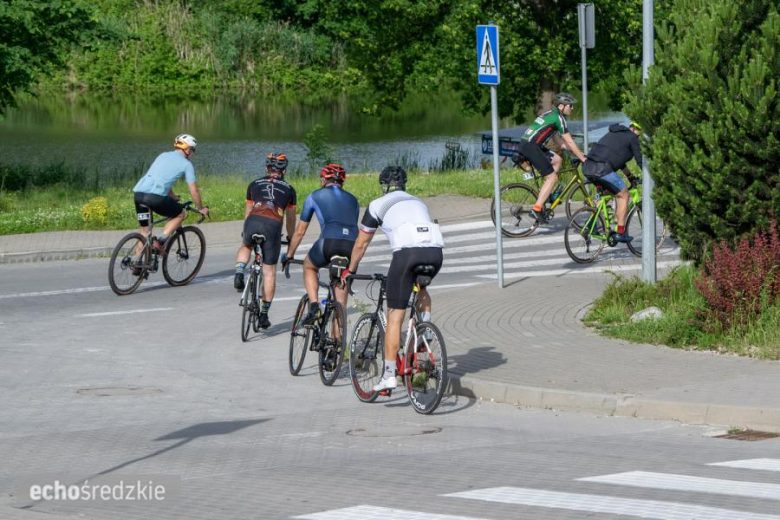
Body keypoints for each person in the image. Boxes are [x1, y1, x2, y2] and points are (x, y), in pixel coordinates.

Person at [343, 166, 444, 392]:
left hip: (407, 254)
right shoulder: (419, 201)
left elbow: (360, 244)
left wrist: (350, 270)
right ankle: (424, 329)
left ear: (384, 186)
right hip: (435, 252)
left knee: (395, 315)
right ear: (404, 185)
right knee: (421, 287)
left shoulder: (377, 204)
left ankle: (389, 374)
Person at [283, 163, 359, 325]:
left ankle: (314, 305)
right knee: (340, 301)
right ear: (342, 182)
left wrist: (289, 255)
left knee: (309, 266)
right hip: (351, 246)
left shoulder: (314, 196)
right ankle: (337, 344)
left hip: (328, 242)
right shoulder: (354, 200)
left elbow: (300, 231)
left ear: (324, 180)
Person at [233, 153, 297, 329]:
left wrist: (245, 231)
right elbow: (290, 220)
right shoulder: (290, 189)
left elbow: (247, 212)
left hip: (252, 221)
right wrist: (291, 239)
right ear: (284, 170)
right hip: (272, 225)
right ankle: (263, 315)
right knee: (269, 272)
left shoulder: (253, 184)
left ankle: (239, 272)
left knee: (246, 245)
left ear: (267, 168)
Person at [133, 134, 209, 254]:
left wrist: (173, 197)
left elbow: (161, 179)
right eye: (193, 150)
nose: (193, 153)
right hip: (154, 198)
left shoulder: (163, 155)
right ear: (188, 150)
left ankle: (137, 263)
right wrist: (201, 208)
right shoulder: (186, 164)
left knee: (144, 232)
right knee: (180, 214)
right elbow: (194, 190)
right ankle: (160, 242)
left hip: (139, 195)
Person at [519, 93, 588, 223]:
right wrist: (583, 158)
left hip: (529, 145)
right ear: (561, 106)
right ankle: (537, 209)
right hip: (531, 147)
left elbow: (559, 142)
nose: (572, 108)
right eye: (570, 106)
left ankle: (547, 194)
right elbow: (570, 141)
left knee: (557, 160)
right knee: (552, 177)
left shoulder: (550, 114)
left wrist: (578, 153)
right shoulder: (559, 119)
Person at [582, 121, 643, 243]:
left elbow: (618, 159)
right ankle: (620, 232)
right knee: (624, 195)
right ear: (639, 131)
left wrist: (630, 176)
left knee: (609, 192)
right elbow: (640, 161)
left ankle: (590, 225)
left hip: (588, 167)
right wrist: (650, 176)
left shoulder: (614, 133)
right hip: (602, 169)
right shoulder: (633, 138)